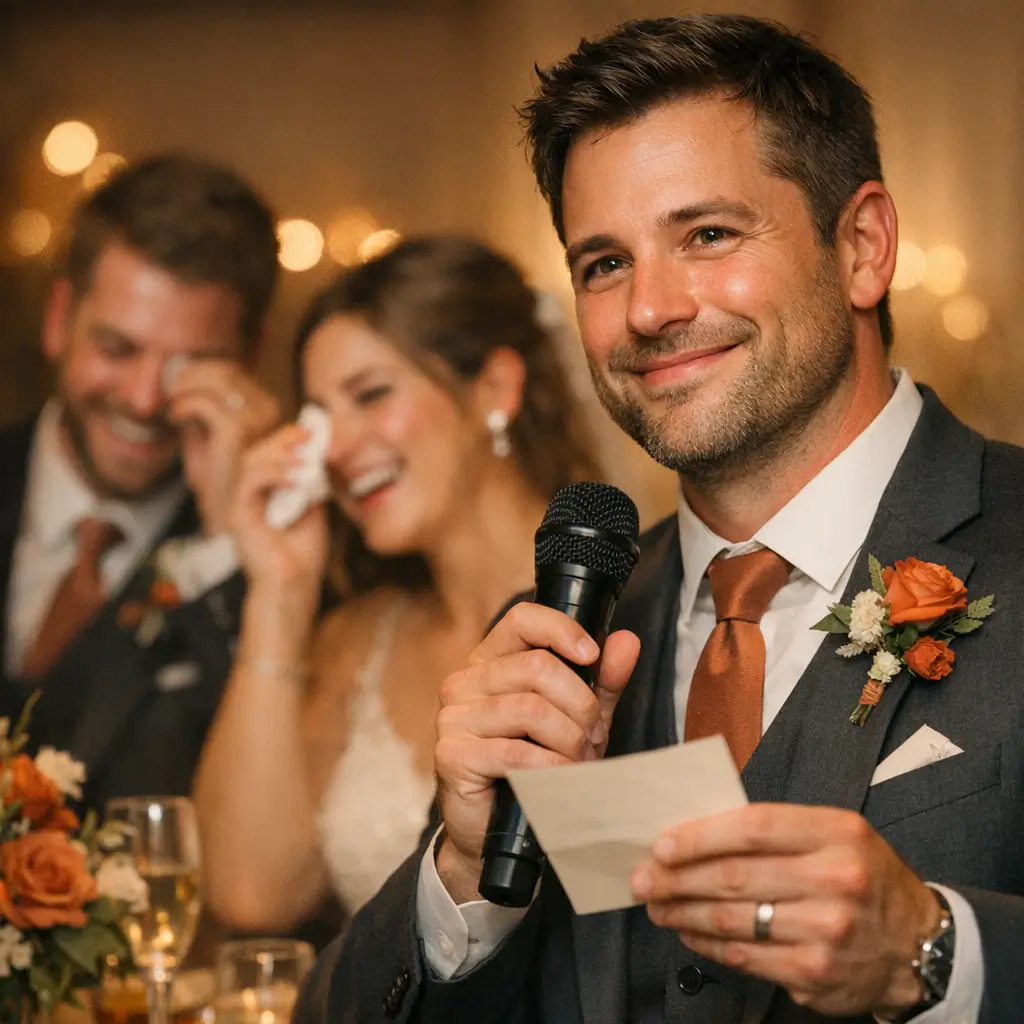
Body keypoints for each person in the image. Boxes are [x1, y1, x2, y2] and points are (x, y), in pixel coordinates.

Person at [295, 14, 1024, 1024]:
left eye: (708, 235)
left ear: (861, 247)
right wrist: (462, 874)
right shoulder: (564, 635)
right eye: (603, 263)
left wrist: (937, 953)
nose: (647, 309)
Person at [194, 235, 600, 932]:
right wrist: (281, 590)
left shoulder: (634, 610)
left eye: (372, 395)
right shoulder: (356, 639)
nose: (339, 451)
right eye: (321, 416)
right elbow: (249, 893)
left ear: (495, 389)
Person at [0, 153, 282, 813]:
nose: (146, 398)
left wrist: (230, 541)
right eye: (118, 349)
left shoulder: (268, 563)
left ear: (249, 359)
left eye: (190, 366)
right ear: (58, 318)